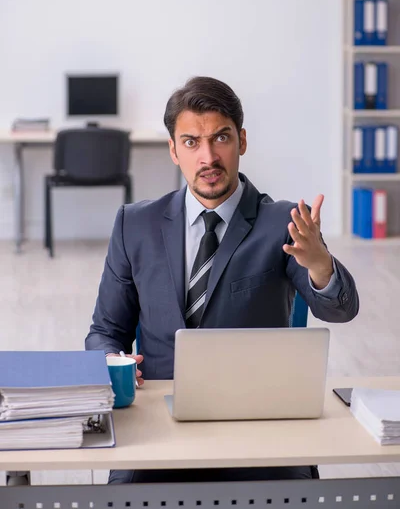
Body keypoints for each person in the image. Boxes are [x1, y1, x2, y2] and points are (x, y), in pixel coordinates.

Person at [85, 76, 359, 483]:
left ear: (242, 141)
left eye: (221, 138)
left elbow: (341, 310)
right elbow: (106, 331)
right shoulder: (135, 224)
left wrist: (321, 265)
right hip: (158, 427)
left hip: (260, 424)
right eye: (192, 142)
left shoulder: (283, 223)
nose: (208, 157)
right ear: (173, 150)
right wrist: (111, 361)